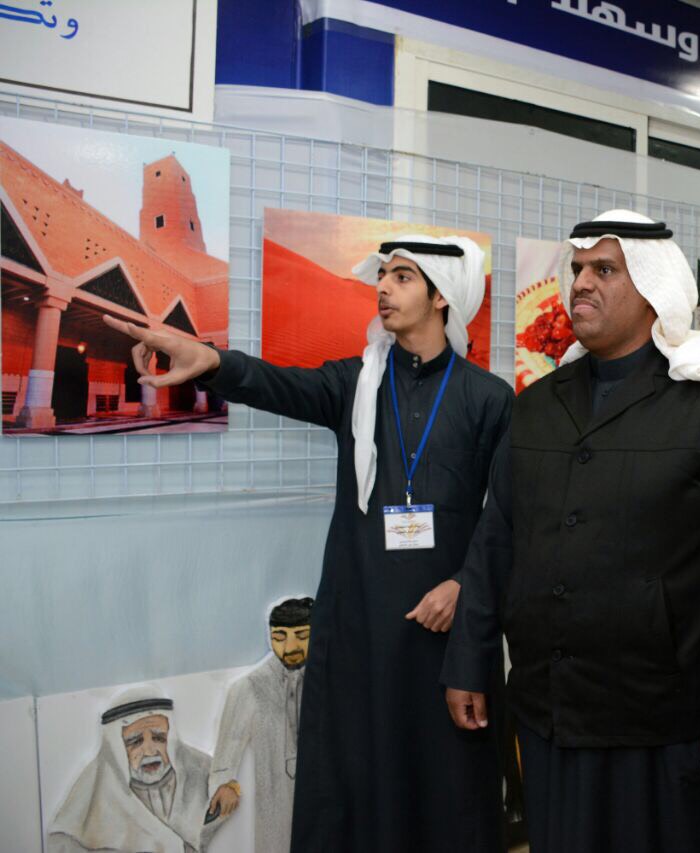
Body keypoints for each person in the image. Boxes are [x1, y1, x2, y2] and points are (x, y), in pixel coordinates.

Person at [102, 233, 512, 851]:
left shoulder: (489, 400)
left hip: (445, 634)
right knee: (361, 785)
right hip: (361, 630)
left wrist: (463, 585)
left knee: (445, 789)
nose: (382, 288)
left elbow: (504, 518)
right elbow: (276, 384)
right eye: (383, 276)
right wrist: (208, 360)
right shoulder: (355, 384)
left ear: (441, 296)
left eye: (402, 277)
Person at [442, 210, 700, 852]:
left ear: (654, 288)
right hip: (551, 715)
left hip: (670, 726)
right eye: (577, 269)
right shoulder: (536, 405)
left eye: (604, 270)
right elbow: (495, 541)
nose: (581, 283)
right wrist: (469, 659)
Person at [47, 690, 219, 853]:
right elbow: (60, 843)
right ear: (117, 748)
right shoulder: (96, 784)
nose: (150, 752)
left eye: (159, 738)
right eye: (135, 742)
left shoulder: (202, 770)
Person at [208, 596, 314, 853]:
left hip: (323, 788)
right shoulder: (250, 687)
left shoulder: (329, 679)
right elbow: (230, 741)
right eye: (280, 637)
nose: (291, 647)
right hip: (274, 792)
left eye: (302, 636)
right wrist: (225, 783)